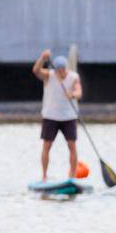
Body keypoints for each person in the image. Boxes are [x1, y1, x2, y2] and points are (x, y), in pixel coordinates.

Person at [32, 49, 82, 179]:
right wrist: (42, 58)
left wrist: (72, 95)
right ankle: (44, 176)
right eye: (58, 69)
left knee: (72, 146)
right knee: (46, 146)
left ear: (66, 68)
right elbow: (36, 71)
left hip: (69, 117)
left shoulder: (73, 77)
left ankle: (72, 176)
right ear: (55, 69)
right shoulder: (49, 75)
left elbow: (78, 92)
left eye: (62, 69)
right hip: (50, 116)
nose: (61, 72)